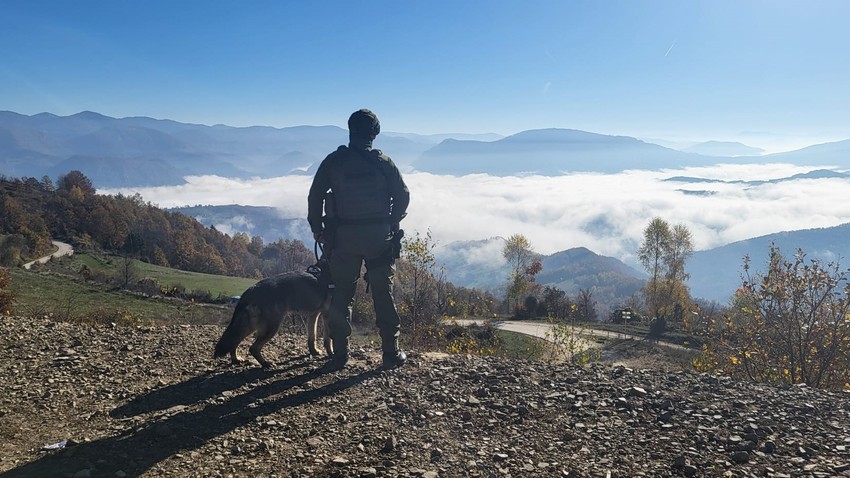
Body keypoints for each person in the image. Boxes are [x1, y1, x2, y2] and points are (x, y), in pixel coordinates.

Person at [307, 109, 410, 370]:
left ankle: (340, 354)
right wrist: (392, 220)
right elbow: (403, 196)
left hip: (343, 239)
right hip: (379, 238)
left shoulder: (334, 161)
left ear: (350, 131)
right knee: (383, 294)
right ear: (374, 134)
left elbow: (315, 195)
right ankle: (390, 353)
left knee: (342, 294)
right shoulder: (383, 163)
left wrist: (317, 228)